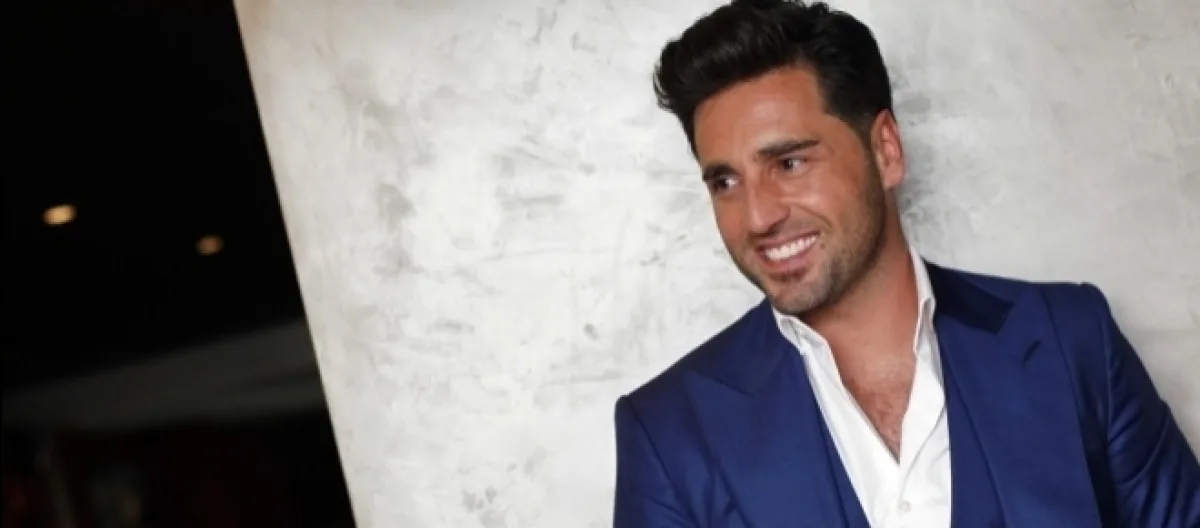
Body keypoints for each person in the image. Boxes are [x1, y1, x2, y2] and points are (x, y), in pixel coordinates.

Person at [611, 1, 1200, 526]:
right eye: (725, 182)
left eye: (789, 163)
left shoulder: (1071, 342)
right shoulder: (669, 432)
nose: (758, 216)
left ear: (885, 150)